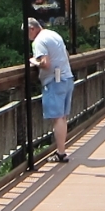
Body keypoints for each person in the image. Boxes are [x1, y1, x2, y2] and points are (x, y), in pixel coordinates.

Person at [28, 18, 75, 163]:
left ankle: (61, 153)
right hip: (67, 77)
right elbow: (66, 55)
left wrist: (33, 61)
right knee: (62, 117)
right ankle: (61, 150)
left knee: (57, 118)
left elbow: (45, 63)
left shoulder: (39, 41)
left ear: (32, 29)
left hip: (54, 82)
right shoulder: (54, 34)